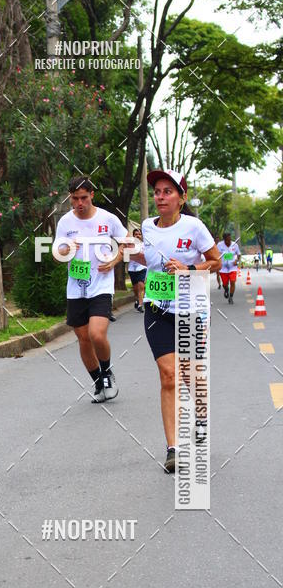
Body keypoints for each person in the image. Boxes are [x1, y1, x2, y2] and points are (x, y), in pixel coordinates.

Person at [126, 169, 221, 473]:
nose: (161, 197)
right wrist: (124, 250)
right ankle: (173, 449)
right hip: (158, 308)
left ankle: (201, 417)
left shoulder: (194, 227)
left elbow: (216, 261)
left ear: (181, 198)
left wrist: (189, 268)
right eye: (157, 192)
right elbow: (148, 260)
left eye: (168, 191)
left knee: (192, 376)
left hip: (191, 309)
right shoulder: (146, 228)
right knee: (169, 375)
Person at [54, 176, 127, 403]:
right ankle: (98, 382)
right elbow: (58, 255)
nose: (79, 203)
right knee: (83, 338)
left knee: (96, 333)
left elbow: (126, 243)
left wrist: (115, 260)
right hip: (76, 288)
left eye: (84, 198)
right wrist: (65, 249)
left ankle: (107, 373)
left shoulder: (108, 219)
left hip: (101, 285)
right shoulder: (65, 223)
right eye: (74, 199)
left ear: (92, 195)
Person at [217, 232, 240, 304]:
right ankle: (226, 289)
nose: (229, 241)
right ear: (224, 240)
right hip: (223, 268)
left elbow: (239, 254)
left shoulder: (235, 245)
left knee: (233, 282)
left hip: (232, 267)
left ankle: (231, 297)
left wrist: (236, 261)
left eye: (230, 240)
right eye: (227, 240)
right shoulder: (219, 245)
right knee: (224, 284)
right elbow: (216, 255)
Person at [128, 228, 146, 312]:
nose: (138, 236)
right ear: (133, 236)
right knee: (135, 288)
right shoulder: (130, 245)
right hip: (132, 268)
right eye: (136, 234)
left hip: (142, 267)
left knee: (141, 285)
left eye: (139, 234)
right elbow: (126, 257)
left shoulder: (144, 245)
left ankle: (140, 305)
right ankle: (138, 299)